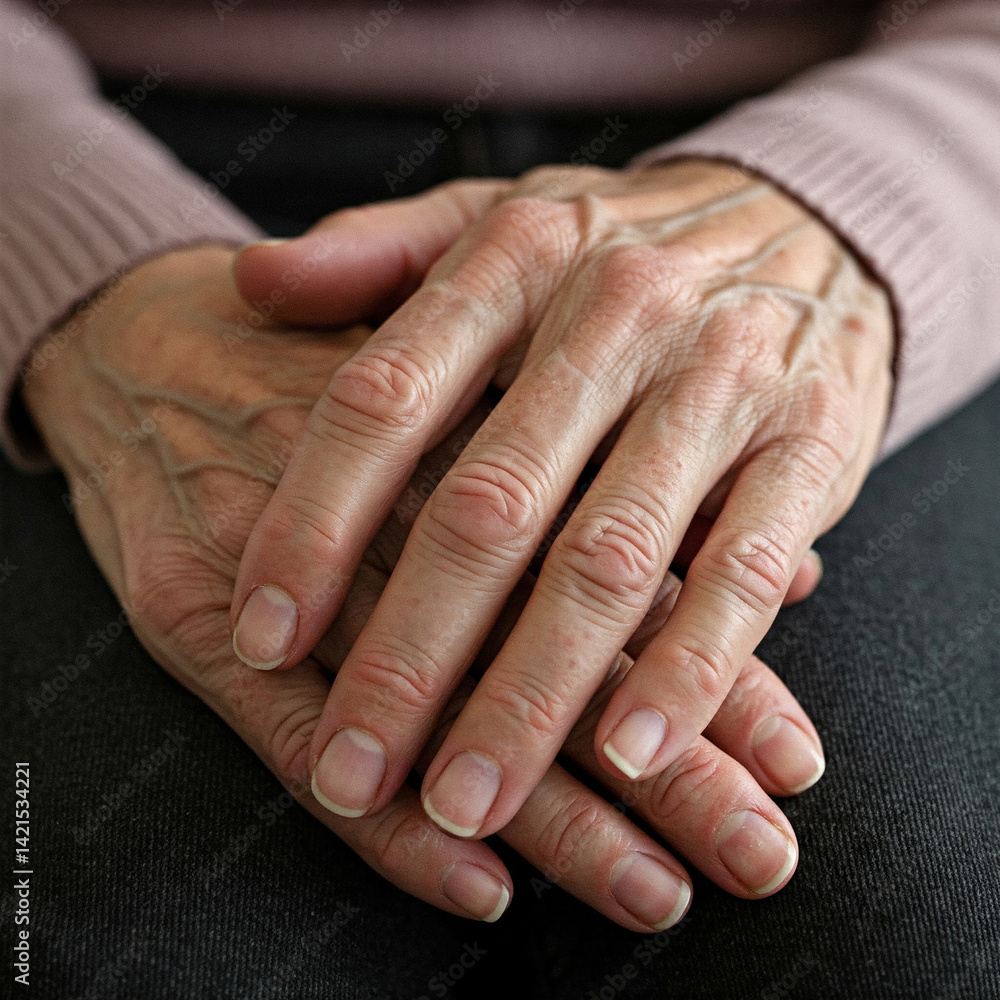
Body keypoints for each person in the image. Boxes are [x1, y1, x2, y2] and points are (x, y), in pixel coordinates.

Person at [3, 1, 999, 996]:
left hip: (820, 146)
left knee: (916, 916)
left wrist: (860, 207)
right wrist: (87, 274)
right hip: (104, 153)